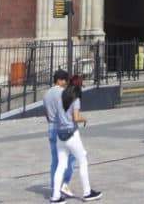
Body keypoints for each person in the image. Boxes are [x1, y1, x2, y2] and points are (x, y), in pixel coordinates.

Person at [49, 75, 101, 203]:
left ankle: (56, 196)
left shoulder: (61, 97)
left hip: (60, 134)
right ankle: (87, 192)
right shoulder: (75, 99)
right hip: (71, 133)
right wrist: (85, 119)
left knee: (61, 165)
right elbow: (76, 117)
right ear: (78, 86)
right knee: (83, 159)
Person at [43, 69, 75, 200]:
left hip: (51, 126)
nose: (66, 83)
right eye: (65, 81)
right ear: (59, 80)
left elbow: (46, 113)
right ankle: (64, 184)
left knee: (55, 159)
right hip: (62, 128)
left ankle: (54, 186)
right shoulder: (63, 93)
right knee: (71, 157)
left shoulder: (46, 94)